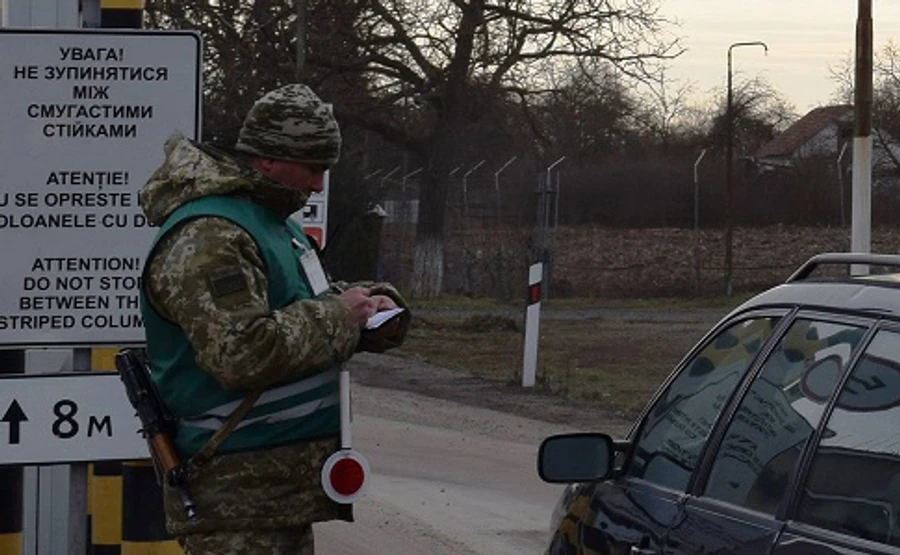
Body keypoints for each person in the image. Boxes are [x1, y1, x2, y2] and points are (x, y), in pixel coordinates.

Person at [137, 83, 410, 554]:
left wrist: (367, 304)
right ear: (267, 159)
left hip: (273, 493)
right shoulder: (211, 235)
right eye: (313, 166)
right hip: (233, 497)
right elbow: (242, 352)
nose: (319, 184)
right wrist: (339, 319)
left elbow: (301, 301)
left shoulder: (271, 221)